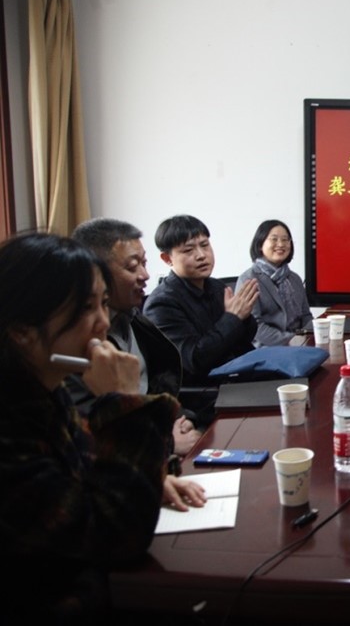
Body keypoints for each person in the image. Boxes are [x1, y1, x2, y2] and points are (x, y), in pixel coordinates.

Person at [0, 233, 203, 622]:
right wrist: (125, 401)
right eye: (85, 308)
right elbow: (116, 536)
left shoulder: (48, 391)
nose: (103, 323)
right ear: (23, 331)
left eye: (103, 304)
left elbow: (81, 473)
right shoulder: (10, 427)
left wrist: (146, 478)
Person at [70, 217, 201, 456]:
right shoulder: (78, 343)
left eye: (144, 263)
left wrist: (178, 419)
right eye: (132, 267)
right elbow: (89, 435)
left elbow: (159, 386)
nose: (145, 275)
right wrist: (165, 443)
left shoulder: (134, 318)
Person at [143, 215, 259, 391]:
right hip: (203, 392)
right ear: (167, 258)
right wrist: (233, 317)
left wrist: (244, 315)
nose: (201, 255)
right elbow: (194, 360)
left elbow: (243, 341)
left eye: (205, 245)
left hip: (235, 378)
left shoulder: (217, 287)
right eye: (188, 250)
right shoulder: (161, 304)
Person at [235, 219, 313, 346]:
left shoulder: (294, 279)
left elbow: (306, 316)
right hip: (266, 348)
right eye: (274, 239)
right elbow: (255, 327)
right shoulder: (248, 280)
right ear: (260, 244)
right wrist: (291, 340)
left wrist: (314, 336)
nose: (281, 244)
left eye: (285, 239)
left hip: (299, 345)